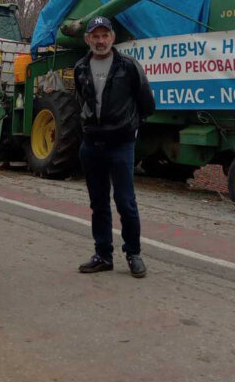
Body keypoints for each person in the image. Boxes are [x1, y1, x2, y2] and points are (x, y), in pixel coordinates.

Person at [72, 15, 155, 278]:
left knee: (125, 202)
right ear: (87, 39)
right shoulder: (80, 68)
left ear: (112, 37)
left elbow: (146, 104)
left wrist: (130, 128)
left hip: (121, 144)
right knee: (98, 203)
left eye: (104, 35)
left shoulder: (128, 67)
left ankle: (133, 254)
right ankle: (103, 255)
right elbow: (81, 100)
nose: (100, 41)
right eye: (95, 36)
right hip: (91, 144)